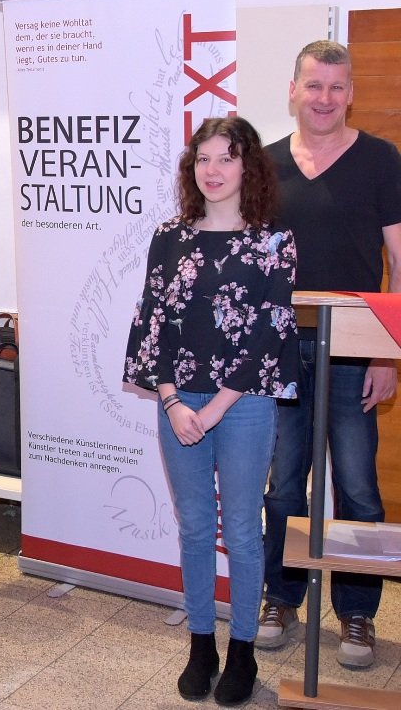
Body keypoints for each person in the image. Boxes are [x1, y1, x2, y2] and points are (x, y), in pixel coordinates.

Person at [124, 117, 297, 706]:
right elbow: (155, 322)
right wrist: (171, 399)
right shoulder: (170, 237)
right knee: (196, 528)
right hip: (180, 404)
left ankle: (243, 652)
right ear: (190, 168)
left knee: (243, 532)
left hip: (244, 404)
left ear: (247, 165)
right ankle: (203, 645)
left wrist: (220, 405)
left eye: (226, 158)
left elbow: (271, 332)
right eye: (203, 159)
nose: (214, 170)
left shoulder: (274, 238)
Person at [259, 40, 401, 670]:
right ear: (293, 90)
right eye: (313, 86)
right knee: (284, 484)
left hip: (354, 351)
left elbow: (398, 262)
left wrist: (386, 356)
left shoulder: (380, 160)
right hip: (282, 354)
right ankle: (280, 598)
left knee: (359, 488)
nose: (324, 99)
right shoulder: (261, 165)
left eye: (337, 88)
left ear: (351, 94)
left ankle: (357, 613)